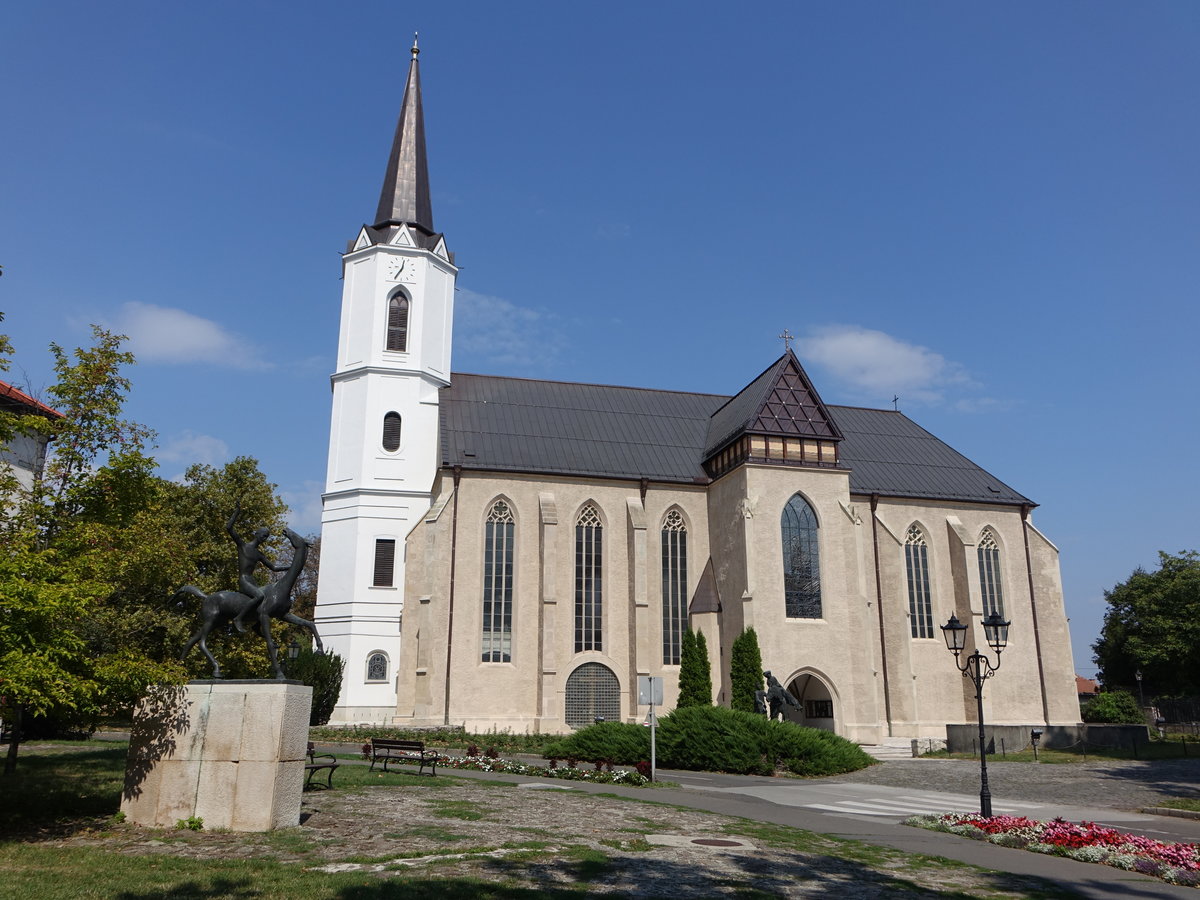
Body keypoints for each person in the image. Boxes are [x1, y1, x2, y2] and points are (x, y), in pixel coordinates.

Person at [226, 508, 290, 633]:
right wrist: (237, 512)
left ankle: (256, 625)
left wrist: (291, 566)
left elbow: (274, 568)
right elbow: (229, 528)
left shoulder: (258, 554)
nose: (264, 538)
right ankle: (238, 618)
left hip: (252, 581)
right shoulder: (243, 546)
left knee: (266, 600)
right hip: (244, 580)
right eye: (263, 535)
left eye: (266, 537)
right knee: (260, 595)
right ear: (256, 534)